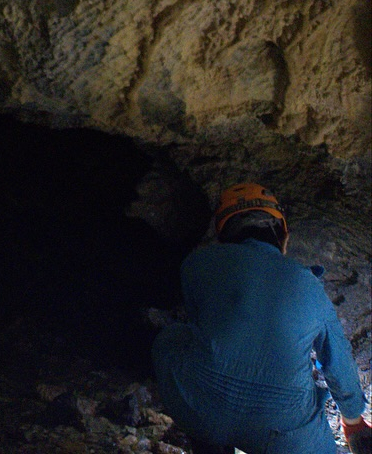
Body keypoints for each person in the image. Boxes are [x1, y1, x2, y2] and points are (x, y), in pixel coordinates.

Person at [153, 183, 371, 454]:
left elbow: (201, 329)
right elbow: (337, 362)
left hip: (200, 413)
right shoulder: (309, 286)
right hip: (284, 434)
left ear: (223, 235)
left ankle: (212, 444)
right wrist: (352, 418)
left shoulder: (196, 264)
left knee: (170, 337)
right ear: (284, 236)